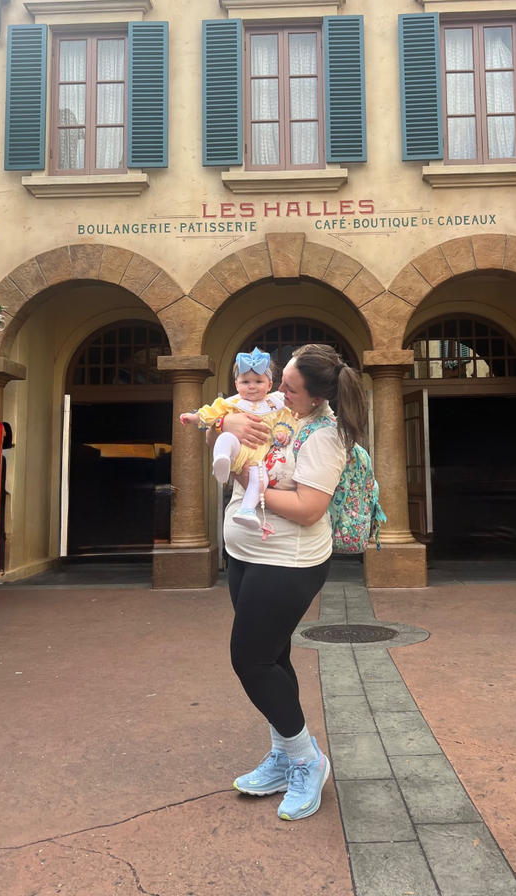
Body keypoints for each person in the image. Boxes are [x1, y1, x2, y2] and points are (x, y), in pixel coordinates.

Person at [209, 343, 368, 821]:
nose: (280, 391)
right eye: (282, 382)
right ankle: (284, 752)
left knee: (250, 659)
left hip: (288, 562)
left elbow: (308, 509)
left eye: (290, 388)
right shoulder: (281, 411)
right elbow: (232, 417)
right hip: (245, 553)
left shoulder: (325, 437)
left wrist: (253, 488)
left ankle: (306, 760)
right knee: (273, 656)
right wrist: (226, 424)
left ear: (317, 397)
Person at [180, 347, 295, 531]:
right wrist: (194, 418)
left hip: (258, 458)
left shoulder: (274, 404)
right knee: (226, 438)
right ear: (236, 384)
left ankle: (247, 510)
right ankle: (221, 461)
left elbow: (285, 421)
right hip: (237, 449)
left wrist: (282, 433)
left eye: (258, 381)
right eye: (245, 381)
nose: (251, 386)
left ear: (269, 384)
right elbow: (211, 412)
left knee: (261, 480)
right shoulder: (232, 403)